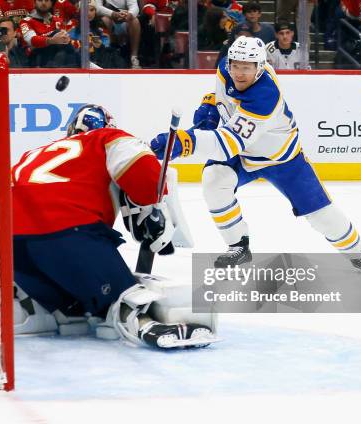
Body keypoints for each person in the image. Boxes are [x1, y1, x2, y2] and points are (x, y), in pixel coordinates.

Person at [150, 36, 361, 273]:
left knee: (321, 216)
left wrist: (184, 142)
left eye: (246, 68)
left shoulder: (265, 95)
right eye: (235, 66)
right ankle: (238, 246)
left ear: (260, 67)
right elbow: (221, 93)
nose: (239, 73)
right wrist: (210, 107)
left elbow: (227, 144)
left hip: (281, 158)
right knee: (214, 179)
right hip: (245, 153)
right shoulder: (225, 67)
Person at [11, 104, 215, 349]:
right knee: (123, 296)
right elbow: (145, 175)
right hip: (68, 233)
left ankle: (49, 309)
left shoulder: (35, 152)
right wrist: (153, 210)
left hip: (11, 247)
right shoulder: (108, 137)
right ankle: (141, 321)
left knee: (73, 307)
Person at [96, 0, 141, 68]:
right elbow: (97, 7)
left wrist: (129, 15)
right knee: (104, 19)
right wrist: (112, 14)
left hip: (125, 18)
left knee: (135, 21)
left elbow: (134, 7)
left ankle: (134, 58)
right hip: (108, 17)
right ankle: (108, 56)